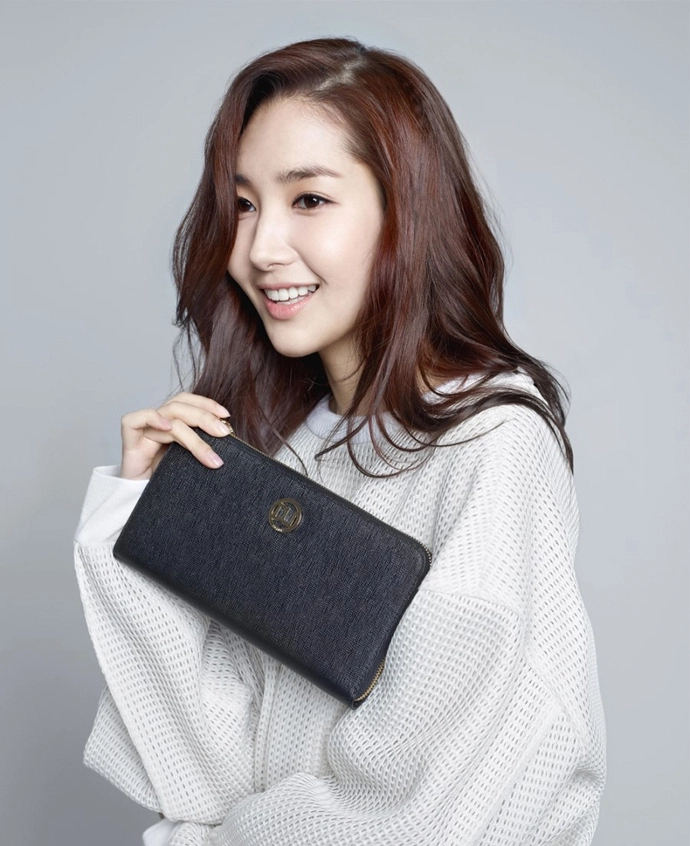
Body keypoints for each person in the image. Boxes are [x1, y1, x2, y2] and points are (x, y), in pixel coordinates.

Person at [73, 36, 606, 846]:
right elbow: (201, 770)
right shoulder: (289, 455)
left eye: (310, 199)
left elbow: (421, 812)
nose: (259, 249)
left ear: (406, 215)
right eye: (243, 204)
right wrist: (139, 519)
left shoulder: (493, 446)